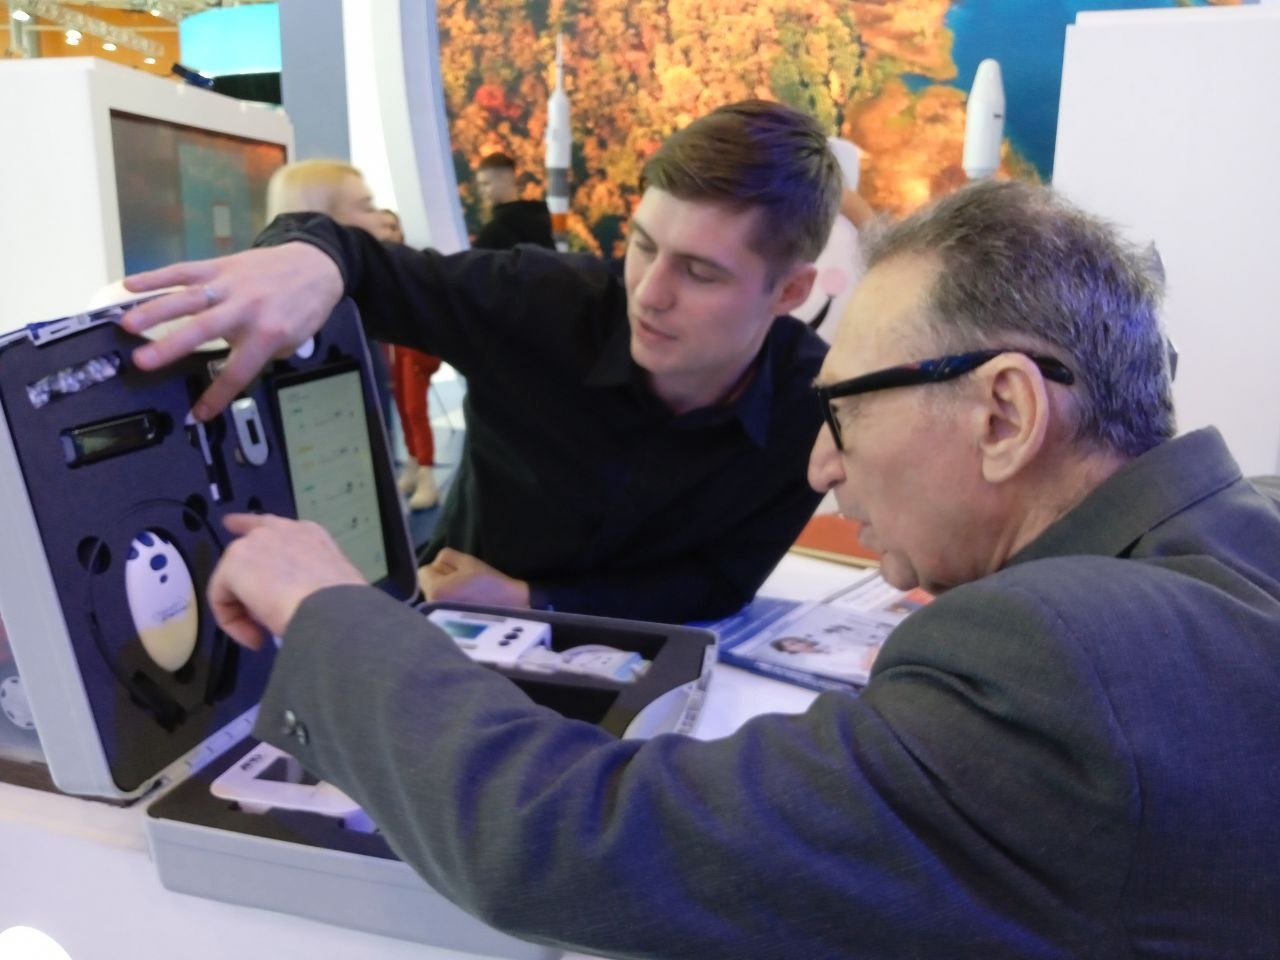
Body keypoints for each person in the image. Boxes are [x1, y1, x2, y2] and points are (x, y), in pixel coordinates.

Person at [157, 179, 1277, 958]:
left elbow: (576, 843)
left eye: (845, 412)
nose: (822, 464)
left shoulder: (1058, 661)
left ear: (1003, 414)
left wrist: (328, 609)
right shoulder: (1241, 535)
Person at [122, 100, 841, 622]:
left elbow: (720, 582)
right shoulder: (540, 301)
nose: (649, 295)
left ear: (790, 292)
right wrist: (311, 256)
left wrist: (535, 599)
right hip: (454, 634)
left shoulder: (815, 406)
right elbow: (368, 265)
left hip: (650, 677)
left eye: (700, 273)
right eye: (644, 246)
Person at [377, 207, 443, 511]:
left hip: (415, 346)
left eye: (393, 226)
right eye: (383, 226)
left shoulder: (411, 264)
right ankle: (414, 464)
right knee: (403, 408)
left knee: (415, 409)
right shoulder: (377, 266)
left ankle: (427, 476)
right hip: (392, 345)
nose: (389, 232)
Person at [471, 151, 555, 250]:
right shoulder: (541, 220)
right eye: (480, 185)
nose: (481, 191)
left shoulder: (493, 234)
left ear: (505, 180)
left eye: (486, 184)